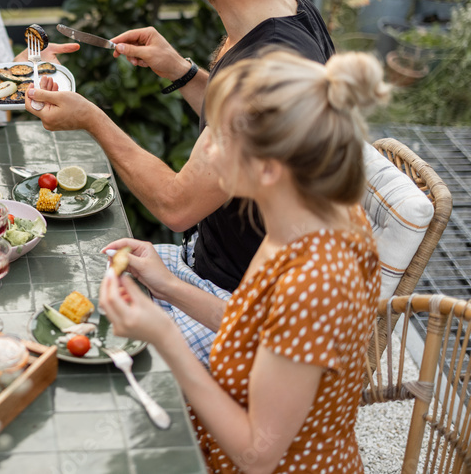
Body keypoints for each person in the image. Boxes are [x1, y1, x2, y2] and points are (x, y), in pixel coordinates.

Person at [26, 0, 334, 361]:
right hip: (202, 261)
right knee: (56, 271)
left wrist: (92, 121)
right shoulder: (288, 10)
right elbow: (243, 129)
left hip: (235, 304)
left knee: (75, 355)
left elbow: (176, 203)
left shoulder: (266, 73)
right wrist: (184, 72)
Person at [100, 49, 388, 473]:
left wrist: (163, 335)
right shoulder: (304, 213)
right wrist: (169, 287)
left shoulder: (317, 282)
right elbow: (256, 323)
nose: (204, 149)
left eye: (217, 136)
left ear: (268, 168)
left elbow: (258, 454)